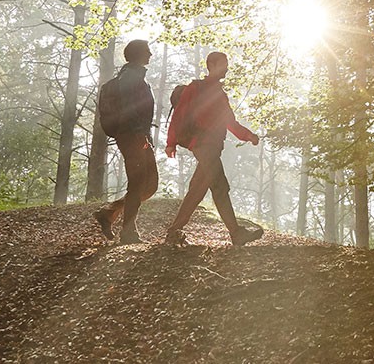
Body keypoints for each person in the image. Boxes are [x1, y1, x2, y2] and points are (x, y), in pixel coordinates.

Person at [162, 51, 263, 247]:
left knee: (197, 190)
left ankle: (174, 232)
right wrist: (170, 142)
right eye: (224, 64)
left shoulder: (220, 94)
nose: (227, 68)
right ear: (213, 65)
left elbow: (229, 122)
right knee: (220, 186)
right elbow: (180, 114)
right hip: (202, 144)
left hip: (213, 146)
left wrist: (248, 136)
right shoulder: (195, 88)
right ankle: (236, 233)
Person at [92, 39, 157, 243]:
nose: (151, 54)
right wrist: (139, 132)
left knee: (150, 185)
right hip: (132, 135)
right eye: (147, 51)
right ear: (138, 54)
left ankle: (109, 213)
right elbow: (131, 107)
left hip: (136, 135)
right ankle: (128, 232)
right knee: (138, 183)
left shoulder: (133, 75)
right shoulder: (130, 77)